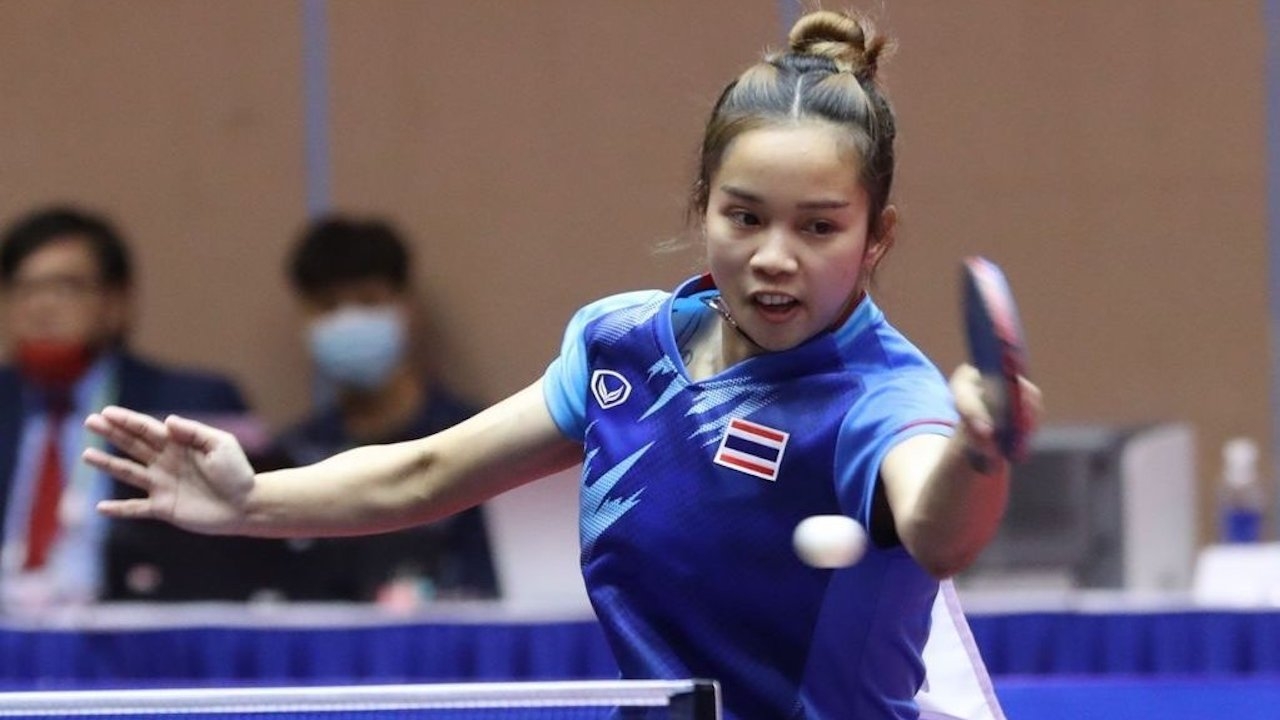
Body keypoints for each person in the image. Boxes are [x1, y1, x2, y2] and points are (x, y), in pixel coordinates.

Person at [84, 10, 1041, 719]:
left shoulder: (879, 393)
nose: (773, 256)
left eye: (819, 228)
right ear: (703, 206)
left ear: (877, 237)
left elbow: (938, 531)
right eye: (745, 216)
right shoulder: (625, 346)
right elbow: (429, 472)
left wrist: (979, 454)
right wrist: (253, 502)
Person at [0, 204, 270, 606]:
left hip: (138, 627)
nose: (41, 307)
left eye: (65, 287)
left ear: (117, 302)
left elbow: (231, 562)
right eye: (25, 289)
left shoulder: (191, 406)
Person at [256, 214, 497, 602]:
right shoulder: (293, 457)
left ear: (407, 306)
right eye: (329, 306)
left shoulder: (479, 438)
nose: (349, 322)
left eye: (368, 300)